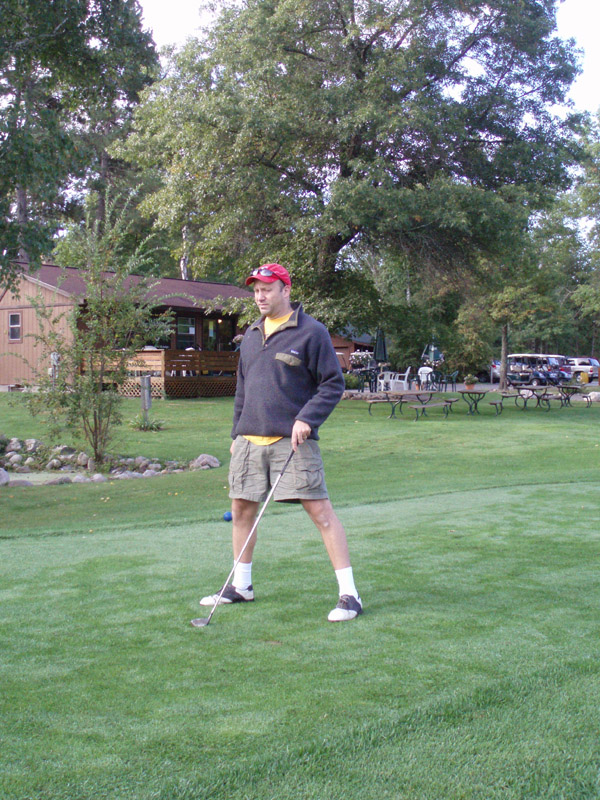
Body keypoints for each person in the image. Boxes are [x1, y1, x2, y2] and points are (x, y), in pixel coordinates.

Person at [200, 263, 362, 622]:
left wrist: (307, 418)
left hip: (292, 442)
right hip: (248, 441)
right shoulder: (251, 334)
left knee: (320, 512)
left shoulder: (312, 332)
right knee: (242, 511)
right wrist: (236, 432)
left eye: (267, 290)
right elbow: (243, 389)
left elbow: (332, 383)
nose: (260, 296)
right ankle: (241, 586)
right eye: (256, 290)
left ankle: (350, 595)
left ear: (285, 290)